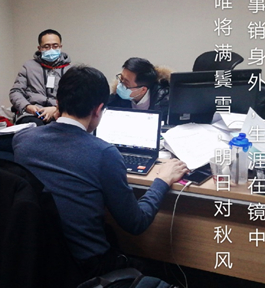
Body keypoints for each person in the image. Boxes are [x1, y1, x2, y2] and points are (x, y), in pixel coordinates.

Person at [13, 65, 188, 280]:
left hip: (40, 261)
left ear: (57, 102)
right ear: (98, 110)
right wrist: (163, 179)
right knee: (159, 270)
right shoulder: (104, 153)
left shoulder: (22, 140)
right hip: (88, 266)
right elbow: (136, 223)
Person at [9, 29, 71, 125]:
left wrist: (57, 108)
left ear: (60, 47)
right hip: (33, 114)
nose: (51, 49)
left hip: (61, 113)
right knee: (35, 127)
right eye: (46, 46)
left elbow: (76, 96)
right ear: (39, 48)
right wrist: (27, 106)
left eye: (55, 46)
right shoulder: (28, 67)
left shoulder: (70, 70)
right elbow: (15, 92)